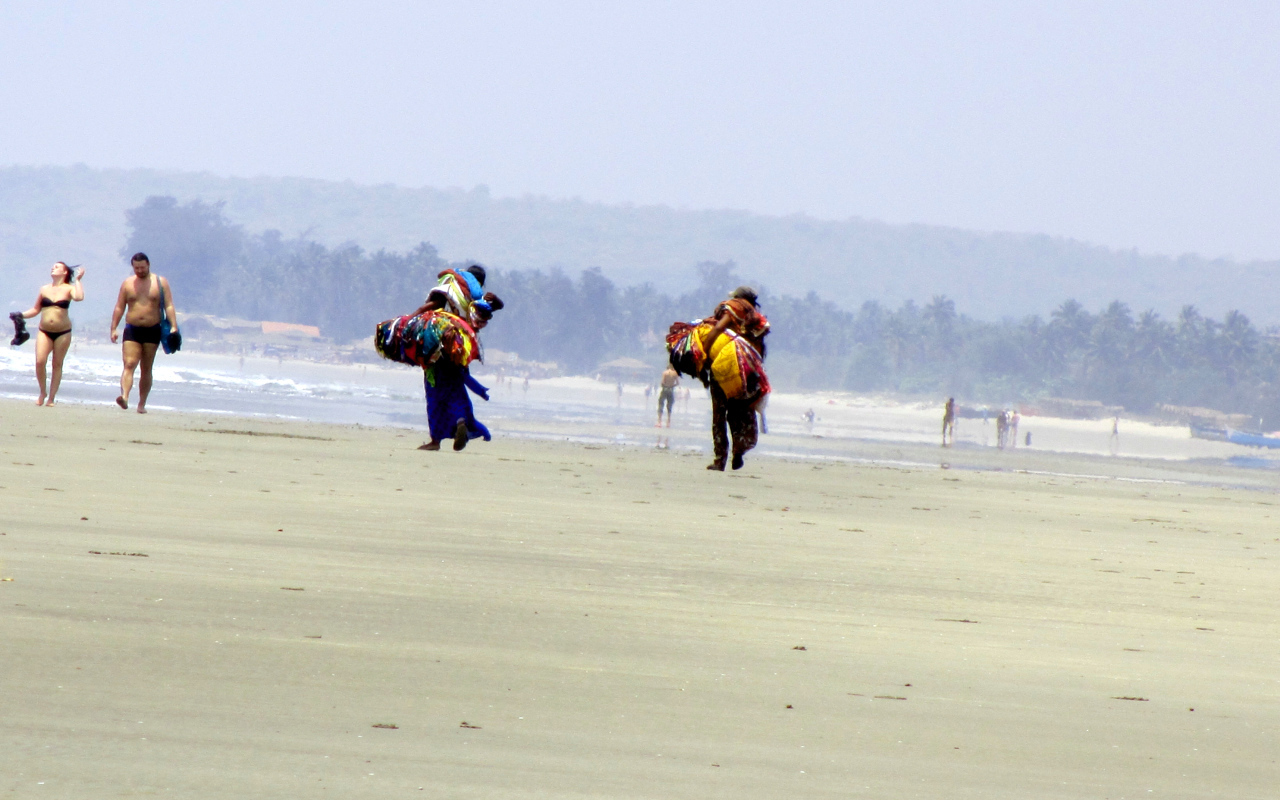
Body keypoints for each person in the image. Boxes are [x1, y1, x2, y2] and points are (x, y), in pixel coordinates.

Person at [416, 292, 504, 452]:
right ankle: (461, 421)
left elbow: (429, 307)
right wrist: (496, 301)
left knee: (435, 399)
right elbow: (495, 307)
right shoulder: (475, 303)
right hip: (458, 357)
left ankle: (435, 440)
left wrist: (413, 316)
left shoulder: (452, 297)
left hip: (439, 356)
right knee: (456, 396)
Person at [699, 286, 770, 471]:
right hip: (748, 371)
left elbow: (719, 328)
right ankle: (739, 450)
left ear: (738, 297)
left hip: (726, 366)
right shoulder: (756, 318)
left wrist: (704, 353)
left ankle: (720, 459)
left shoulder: (733, 308)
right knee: (741, 411)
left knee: (719, 414)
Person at [109, 253, 178, 413]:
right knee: (129, 363)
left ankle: (141, 404)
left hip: (152, 329)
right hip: (132, 329)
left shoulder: (160, 282)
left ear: (148, 265)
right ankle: (125, 397)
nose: (139, 271)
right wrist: (114, 327)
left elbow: (168, 305)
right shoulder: (128, 284)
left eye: (142, 267)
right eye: (136, 268)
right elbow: (119, 307)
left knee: (146, 368)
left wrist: (173, 326)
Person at [18, 262, 84, 406]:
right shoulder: (44, 289)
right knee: (40, 361)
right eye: (53, 266)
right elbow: (36, 310)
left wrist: (78, 280)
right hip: (44, 330)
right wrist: (20, 315)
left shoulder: (69, 288)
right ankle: (43, 392)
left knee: (57, 364)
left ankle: (51, 398)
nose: (53, 268)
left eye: (57, 267)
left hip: (63, 332)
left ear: (65, 272)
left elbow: (79, 297)